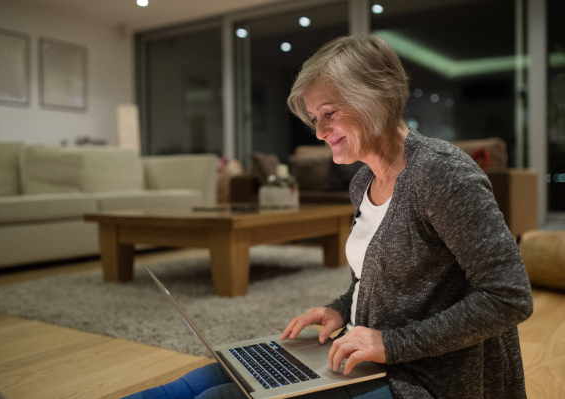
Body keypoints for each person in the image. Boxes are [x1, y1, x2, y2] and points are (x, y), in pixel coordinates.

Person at [124, 33, 533, 399]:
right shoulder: (362, 182)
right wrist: (341, 308)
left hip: (429, 376)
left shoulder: (442, 173)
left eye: (329, 113)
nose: (318, 132)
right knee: (202, 380)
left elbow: (509, 297)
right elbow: (372, 280)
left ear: (374, 97)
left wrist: (393, 344)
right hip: (367, 353)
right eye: (313, 117)